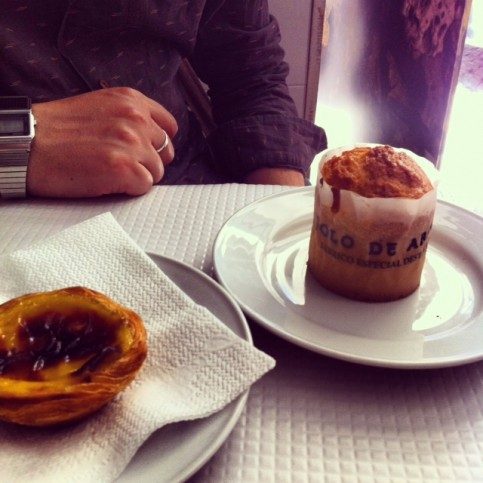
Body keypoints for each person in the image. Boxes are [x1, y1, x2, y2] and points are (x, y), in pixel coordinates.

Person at [0, 0, 327, 198]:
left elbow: (252, 77)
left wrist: (276, 222)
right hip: (14, 213)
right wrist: (16, 143)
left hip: (183, 188)